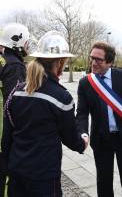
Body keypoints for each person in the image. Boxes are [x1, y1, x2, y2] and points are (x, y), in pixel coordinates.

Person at [1, 31, 88, 196]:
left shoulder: (16, 92)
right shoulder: (62, 97)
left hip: (17, 172)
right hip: (43, 177)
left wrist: (6, 167)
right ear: (61, 62)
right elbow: (71, 139)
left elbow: (7, 136)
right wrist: (83, 141)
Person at [76, 41, 122, 197]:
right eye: (92, 58)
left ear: (110, 62)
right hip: (101, 140)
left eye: (98, 59)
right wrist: (83, 133)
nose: (93, 62)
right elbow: (81, 113)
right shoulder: (86, 83)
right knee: (103, 183)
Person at [0, 22, 31, 197]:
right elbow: (15, 103)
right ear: (17, 43)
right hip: (4, 134)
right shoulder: (15, 66)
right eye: (26, 41)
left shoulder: (4, 62)